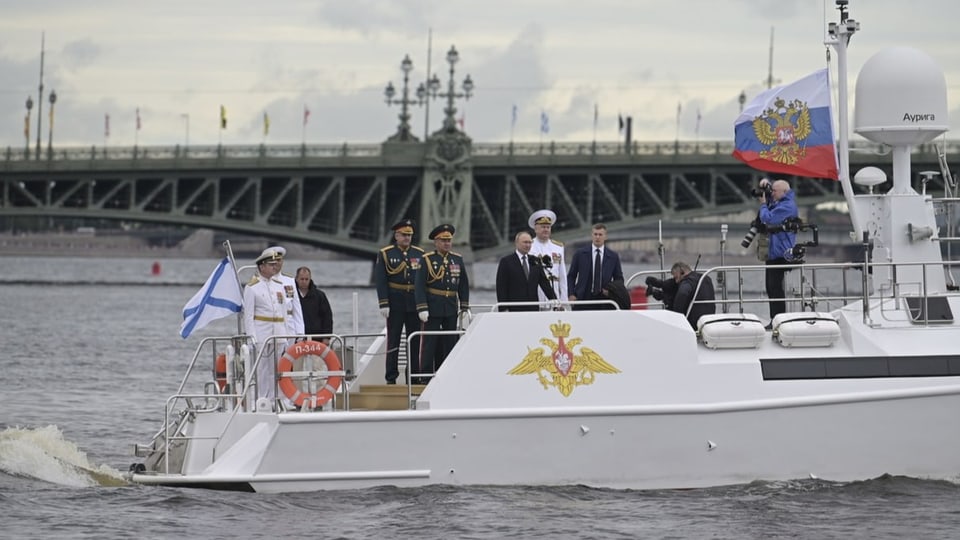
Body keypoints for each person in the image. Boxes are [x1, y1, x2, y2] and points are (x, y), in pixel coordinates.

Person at [242, 247, 299, 406]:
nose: (275, 267)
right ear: (262, 266)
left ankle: (277, 399)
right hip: (262, 332)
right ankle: (261, 399)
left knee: (278, 368)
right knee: (262, 369)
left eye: (275, 264)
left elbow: (283, 312)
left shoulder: (278, 285)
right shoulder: (252, 287)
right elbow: (248, 316)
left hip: (278, 331)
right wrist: (251, 337)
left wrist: (287, 334)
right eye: (271, 264)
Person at [414, 224, 470, 381]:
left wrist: (464, 305)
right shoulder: (427, 260)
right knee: (429, 342)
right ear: (436, 242)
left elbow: (463, 284)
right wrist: (422, 307)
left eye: (449, 240)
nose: (447, 243)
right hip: (433, 305)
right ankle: (424, 375)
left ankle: (446, 373)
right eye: (443, 240)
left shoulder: (457, 259)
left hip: (450, 306)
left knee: (449, 342)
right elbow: (419, 285)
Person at [374, 218, 424, 385]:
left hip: (413, 303)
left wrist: (423, 305)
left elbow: (422, 282)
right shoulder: (386, 253)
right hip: (395, 303)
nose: (407, 238)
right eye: (403, 235)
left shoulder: (419, 254)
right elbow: (381, 280)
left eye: (409, 235)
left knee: (415, 340)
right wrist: (383, 302)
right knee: (393, 340)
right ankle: (391, 377)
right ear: (396, 236)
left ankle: (414, 376)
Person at [757, 178, 799, 323]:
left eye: (774, 191)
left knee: (775, 288)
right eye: (772, 190)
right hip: (774, 253)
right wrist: (765, 184)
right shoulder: (779, 203)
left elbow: (768, 219)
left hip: (781, 253)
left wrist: (763, 204)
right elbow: (771, 207)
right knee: (771, 287)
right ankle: (774, 319)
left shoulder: (787, 206)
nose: (772, 193)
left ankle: (778, 320)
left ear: (784, 192)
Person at [495, 230, 557, 311]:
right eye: (525, 242)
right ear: (516, 243)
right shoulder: (506, 261)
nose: (528, 245)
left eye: (530, 242)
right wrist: (503, 308)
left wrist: (555, 302)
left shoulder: (536, 261)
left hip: (533, 308)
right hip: (514, 309)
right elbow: (501, 287)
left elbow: (544, 283)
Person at [567, 223, 624, 310]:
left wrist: (611, 292)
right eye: (595, 234)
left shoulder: (613, 256)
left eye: (600, 234)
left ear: (605, 237)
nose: (597, 237)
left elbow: (619, 279)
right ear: (592, 236)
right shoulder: (580, 254)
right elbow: (571, 276)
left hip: (605, 300)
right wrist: (571, 295)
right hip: (582, 299)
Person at [528, 209, 567, 307]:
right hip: (537, 292)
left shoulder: (558, 247)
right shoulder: (529, 246)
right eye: (542, 227)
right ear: (535, 229)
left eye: (548, 227)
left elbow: (562, 275)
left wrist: (564, 298)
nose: (546, 230)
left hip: (555, 292)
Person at [264, 245, 305, 339]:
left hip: (289, 327)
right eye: (273, 261)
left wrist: (300, 332)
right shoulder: (263, 282)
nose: (276, 263)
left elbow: (296, 308)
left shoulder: (289, 280)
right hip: (270, 325)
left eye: (279, 260)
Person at [666, 261, 716, 329]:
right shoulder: (706, 278)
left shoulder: (687, 282)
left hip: (694, 324)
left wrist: (677, 317)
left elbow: (683, 293)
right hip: (710, 320)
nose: (676, 281)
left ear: (682, 272)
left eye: (676, 277)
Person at [295, 266, 333, 343]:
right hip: (296, 337)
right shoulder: (291, 295)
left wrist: (327, 337)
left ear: (310, 279)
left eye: (306, 279)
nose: (304, 281)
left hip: (316, 338)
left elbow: (327, 317)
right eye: (302, 279)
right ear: (296, 279)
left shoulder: (319, 295)